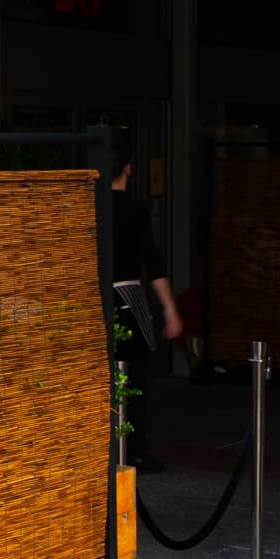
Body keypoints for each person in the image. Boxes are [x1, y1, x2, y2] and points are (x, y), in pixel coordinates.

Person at [110, 151, 183, 472]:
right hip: (127, 299)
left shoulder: (88, 208)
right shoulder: (134, 210)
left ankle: (104, 446)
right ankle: (134, 449)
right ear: (128, 169)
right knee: (134, 378)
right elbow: (152, 261)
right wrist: (170, 308)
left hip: (94, 299)